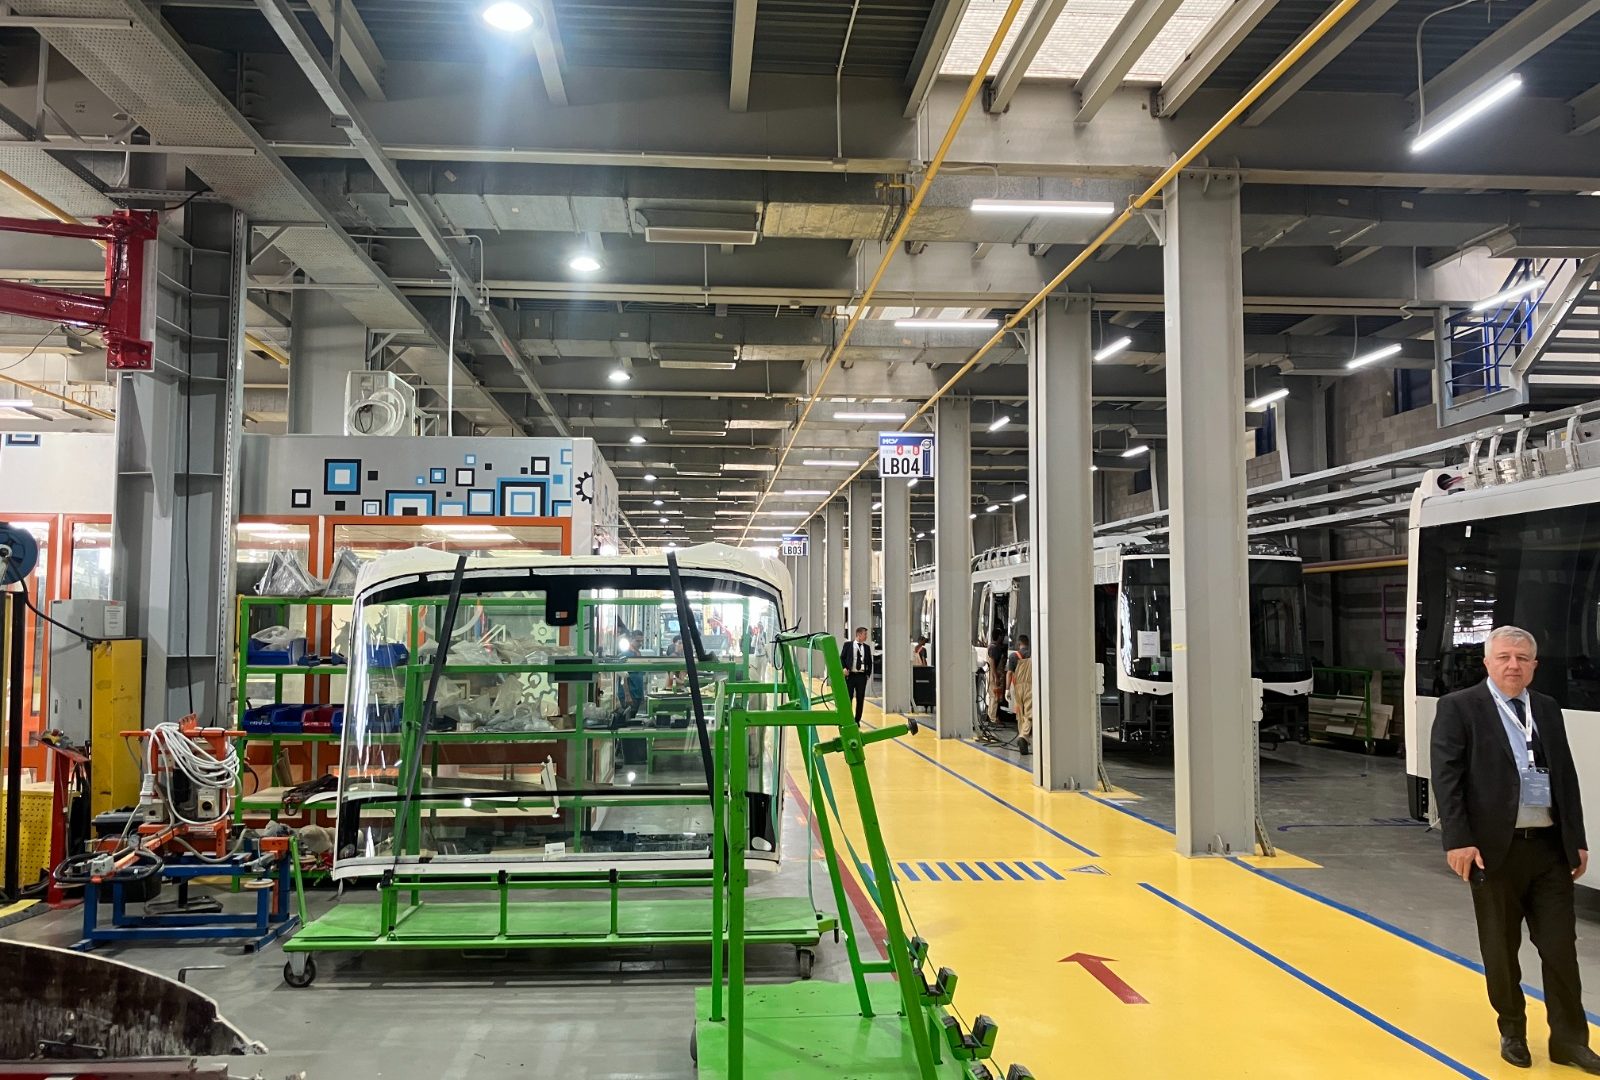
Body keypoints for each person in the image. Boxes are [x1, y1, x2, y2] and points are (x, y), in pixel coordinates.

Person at [1431, 625, 1597, 1072]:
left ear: (1534, 666)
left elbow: (1565, 776)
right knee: (1500, 949)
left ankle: (1569, 1041)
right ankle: (1513, 1030)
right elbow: (1447, 778)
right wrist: (1458, 839)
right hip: (1492, 851)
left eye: (1522, 659)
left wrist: (1577, 838)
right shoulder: (1459, 707)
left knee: (1560, 948)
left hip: (1548, 850)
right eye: (1504, 657)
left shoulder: (1546, 708)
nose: (1513, 665)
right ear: (1487, 662)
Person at [843, 627, 873, 723]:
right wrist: (844, 668)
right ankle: (848, 719)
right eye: (865, 634)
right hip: (850, 676)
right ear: (859, 635)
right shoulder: (848, 645)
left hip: (861, 677)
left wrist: (868, 674)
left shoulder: (867, 648)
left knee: (860, 699)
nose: (866, 636)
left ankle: (857, 721)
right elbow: (842, 658)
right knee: (848, 698)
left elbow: (870, 662)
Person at [1010, 635, 1033, 756]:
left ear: (1019, 644)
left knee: (1020, 714)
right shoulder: (1032, 654)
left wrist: (1007, 690)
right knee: (1030, 713)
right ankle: (1023, 736)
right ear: (1027, 643)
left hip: (1017, 687)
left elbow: (1009, 673)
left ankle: (1021, 736)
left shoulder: (1013, 656)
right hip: (1030, 686)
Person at [986, 629, 1008, 724]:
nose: (1003, 638)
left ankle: (992, 716)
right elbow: (992, 663)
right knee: (995, 696)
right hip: (994, 675)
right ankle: (993, 718)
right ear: (999, 636)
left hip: (993, 674)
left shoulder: (992, 646)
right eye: (1002, 636)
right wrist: (996, 677)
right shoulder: (994, 648)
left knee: (993, 696)